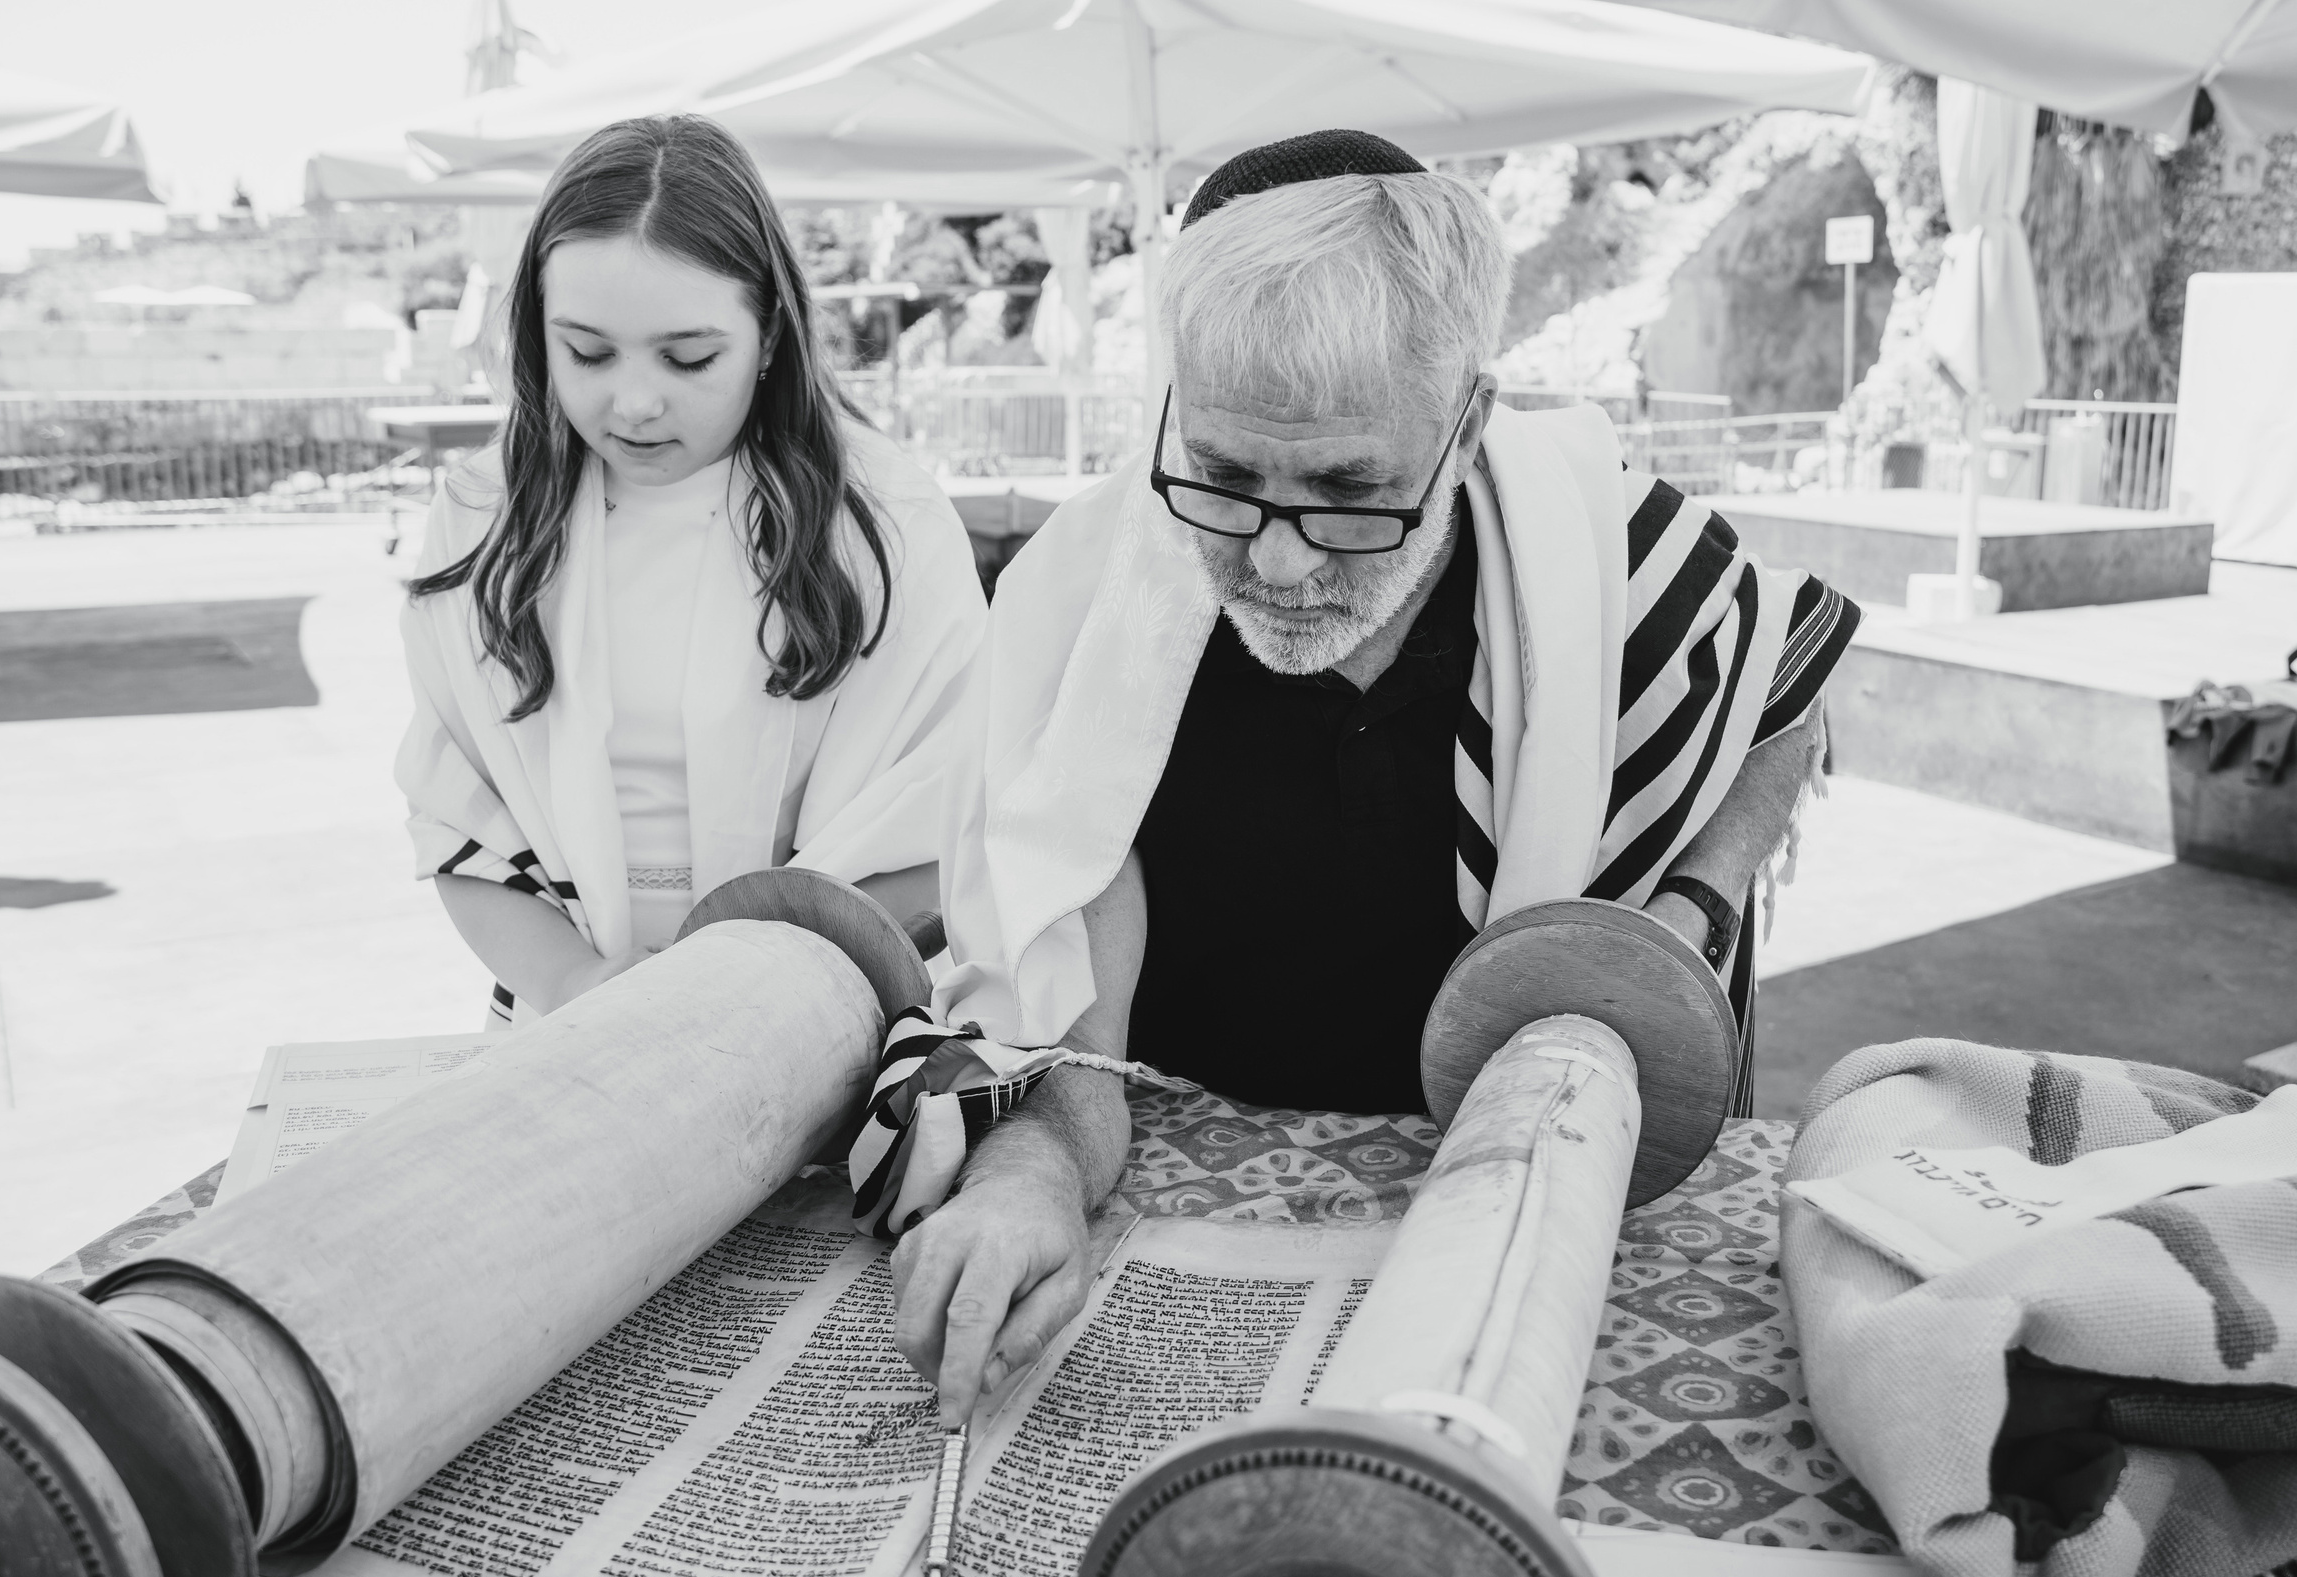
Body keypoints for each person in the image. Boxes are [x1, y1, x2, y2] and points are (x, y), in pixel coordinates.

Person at [893, 131, 1860, 1423]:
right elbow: (1070, 1013)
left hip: (1523, 1205)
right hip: (1190, 1193)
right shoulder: (1083, 613)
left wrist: (1696, 908)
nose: (1281, 568)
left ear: (1467, 421)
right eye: (1227, 480)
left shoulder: (1623, 559)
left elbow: (1781, 692)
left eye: (1351, 494)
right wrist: (1030, 1173)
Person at [398, 116, 985, 1023]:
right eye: (587, 352)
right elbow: (456, 812)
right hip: (564, 1016)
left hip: (819, 1016)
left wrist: (756, 981)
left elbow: (949, 809)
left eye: (689, 356)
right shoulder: (485, 519)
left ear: (772, 333)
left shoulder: (883, 526)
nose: (633, 402)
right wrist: (571, 982)